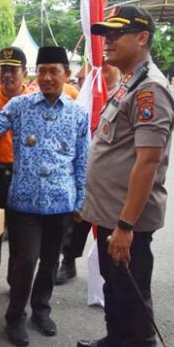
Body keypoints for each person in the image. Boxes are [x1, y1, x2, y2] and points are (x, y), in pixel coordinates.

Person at [0, 46, 88, 346]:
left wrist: (80, 202)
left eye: (55, 71)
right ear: (36, 74)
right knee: (25, 260)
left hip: (60, 202)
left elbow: (82, 160)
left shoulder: (78, 113)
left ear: (65, 74)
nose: (49, 77)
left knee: (50, 261)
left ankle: (41, 309)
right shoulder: (20, 106)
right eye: (44, 71)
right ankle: (15, 316)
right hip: (24, 201)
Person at [77, 5, 174, 347]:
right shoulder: (129, 83)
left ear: (143, 38)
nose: (109, 40)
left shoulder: (149, 90)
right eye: (107, 34)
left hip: (125, 220)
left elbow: (147, 162)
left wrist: (126, 226)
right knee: (114, 287)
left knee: (131, 293)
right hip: (109, 215)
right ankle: (114, 343)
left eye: (117, 34)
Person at [55, 62, 121, 285]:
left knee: (109, 225)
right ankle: (68, 261)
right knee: (78, 220)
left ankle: (109, 270)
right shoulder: (87, 96)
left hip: (111, 173)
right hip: (85, 167)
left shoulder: (125, 93)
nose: (102, 69)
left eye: (107, 65)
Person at [0, 46, 34, 289]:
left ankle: (16, 283)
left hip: (23, 175)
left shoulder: (34, 102)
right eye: (3, 69)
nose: (7, 75)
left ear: (24, 72)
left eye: (13, 70)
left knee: (20, 235)